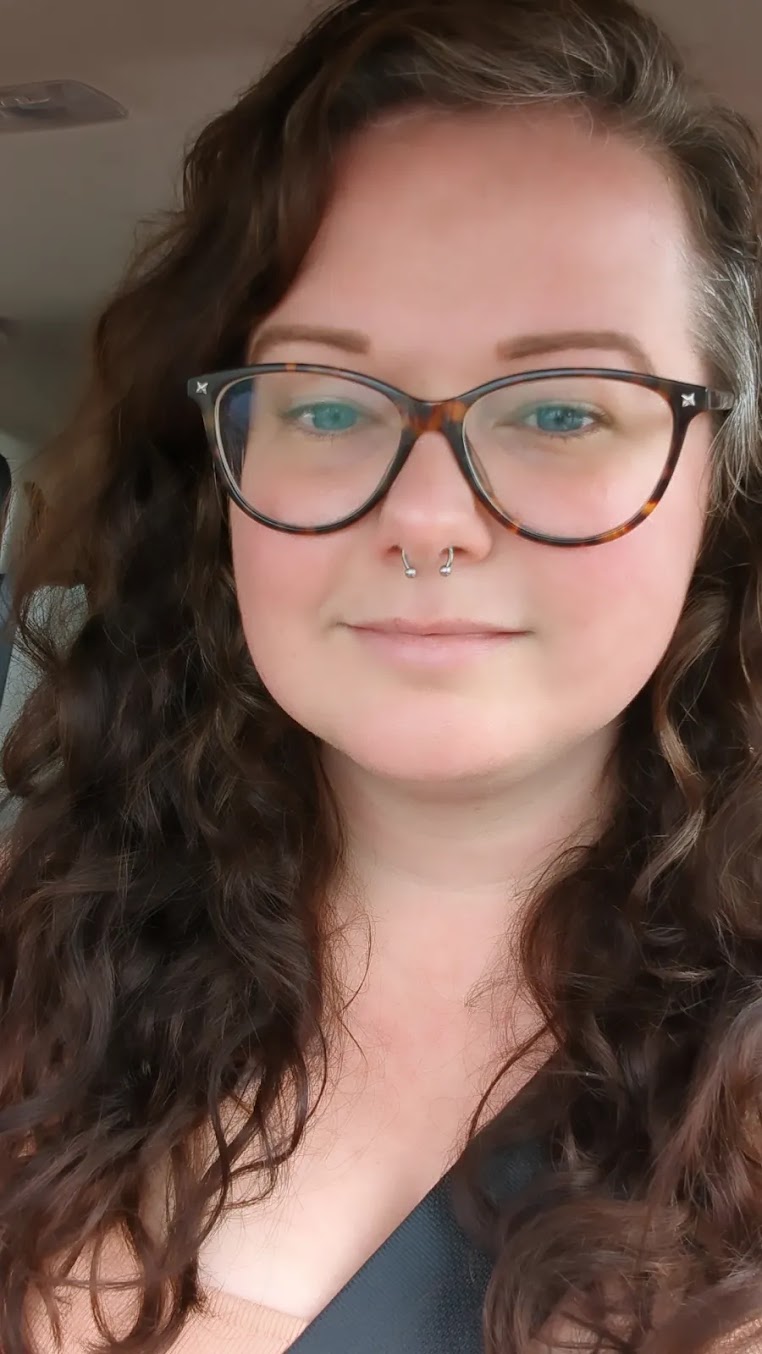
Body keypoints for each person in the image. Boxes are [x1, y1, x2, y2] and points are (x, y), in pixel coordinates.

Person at [1, 0, 761, 1349]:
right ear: (224, 473)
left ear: (722, 486)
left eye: (562, 409)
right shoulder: (36, 958)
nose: (426, 515)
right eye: (329, 403)